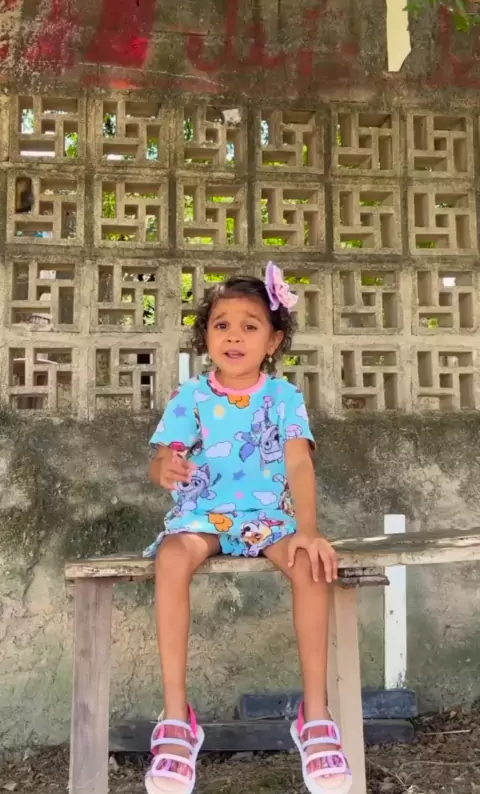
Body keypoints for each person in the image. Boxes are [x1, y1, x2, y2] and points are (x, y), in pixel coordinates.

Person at [144, 262, 352, 794]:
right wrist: (165, 467)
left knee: (310, 565)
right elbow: (162, 457)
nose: (234, 336)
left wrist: (308, 530)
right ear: (205, 336)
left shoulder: (283, 398)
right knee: (171, 557)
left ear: (273, 340)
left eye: (249, 326)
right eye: (221, 325)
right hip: (203, 517)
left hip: (268, 521)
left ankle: (315, 715)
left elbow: (299, 461)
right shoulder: (191, 396)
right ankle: (176, 719)